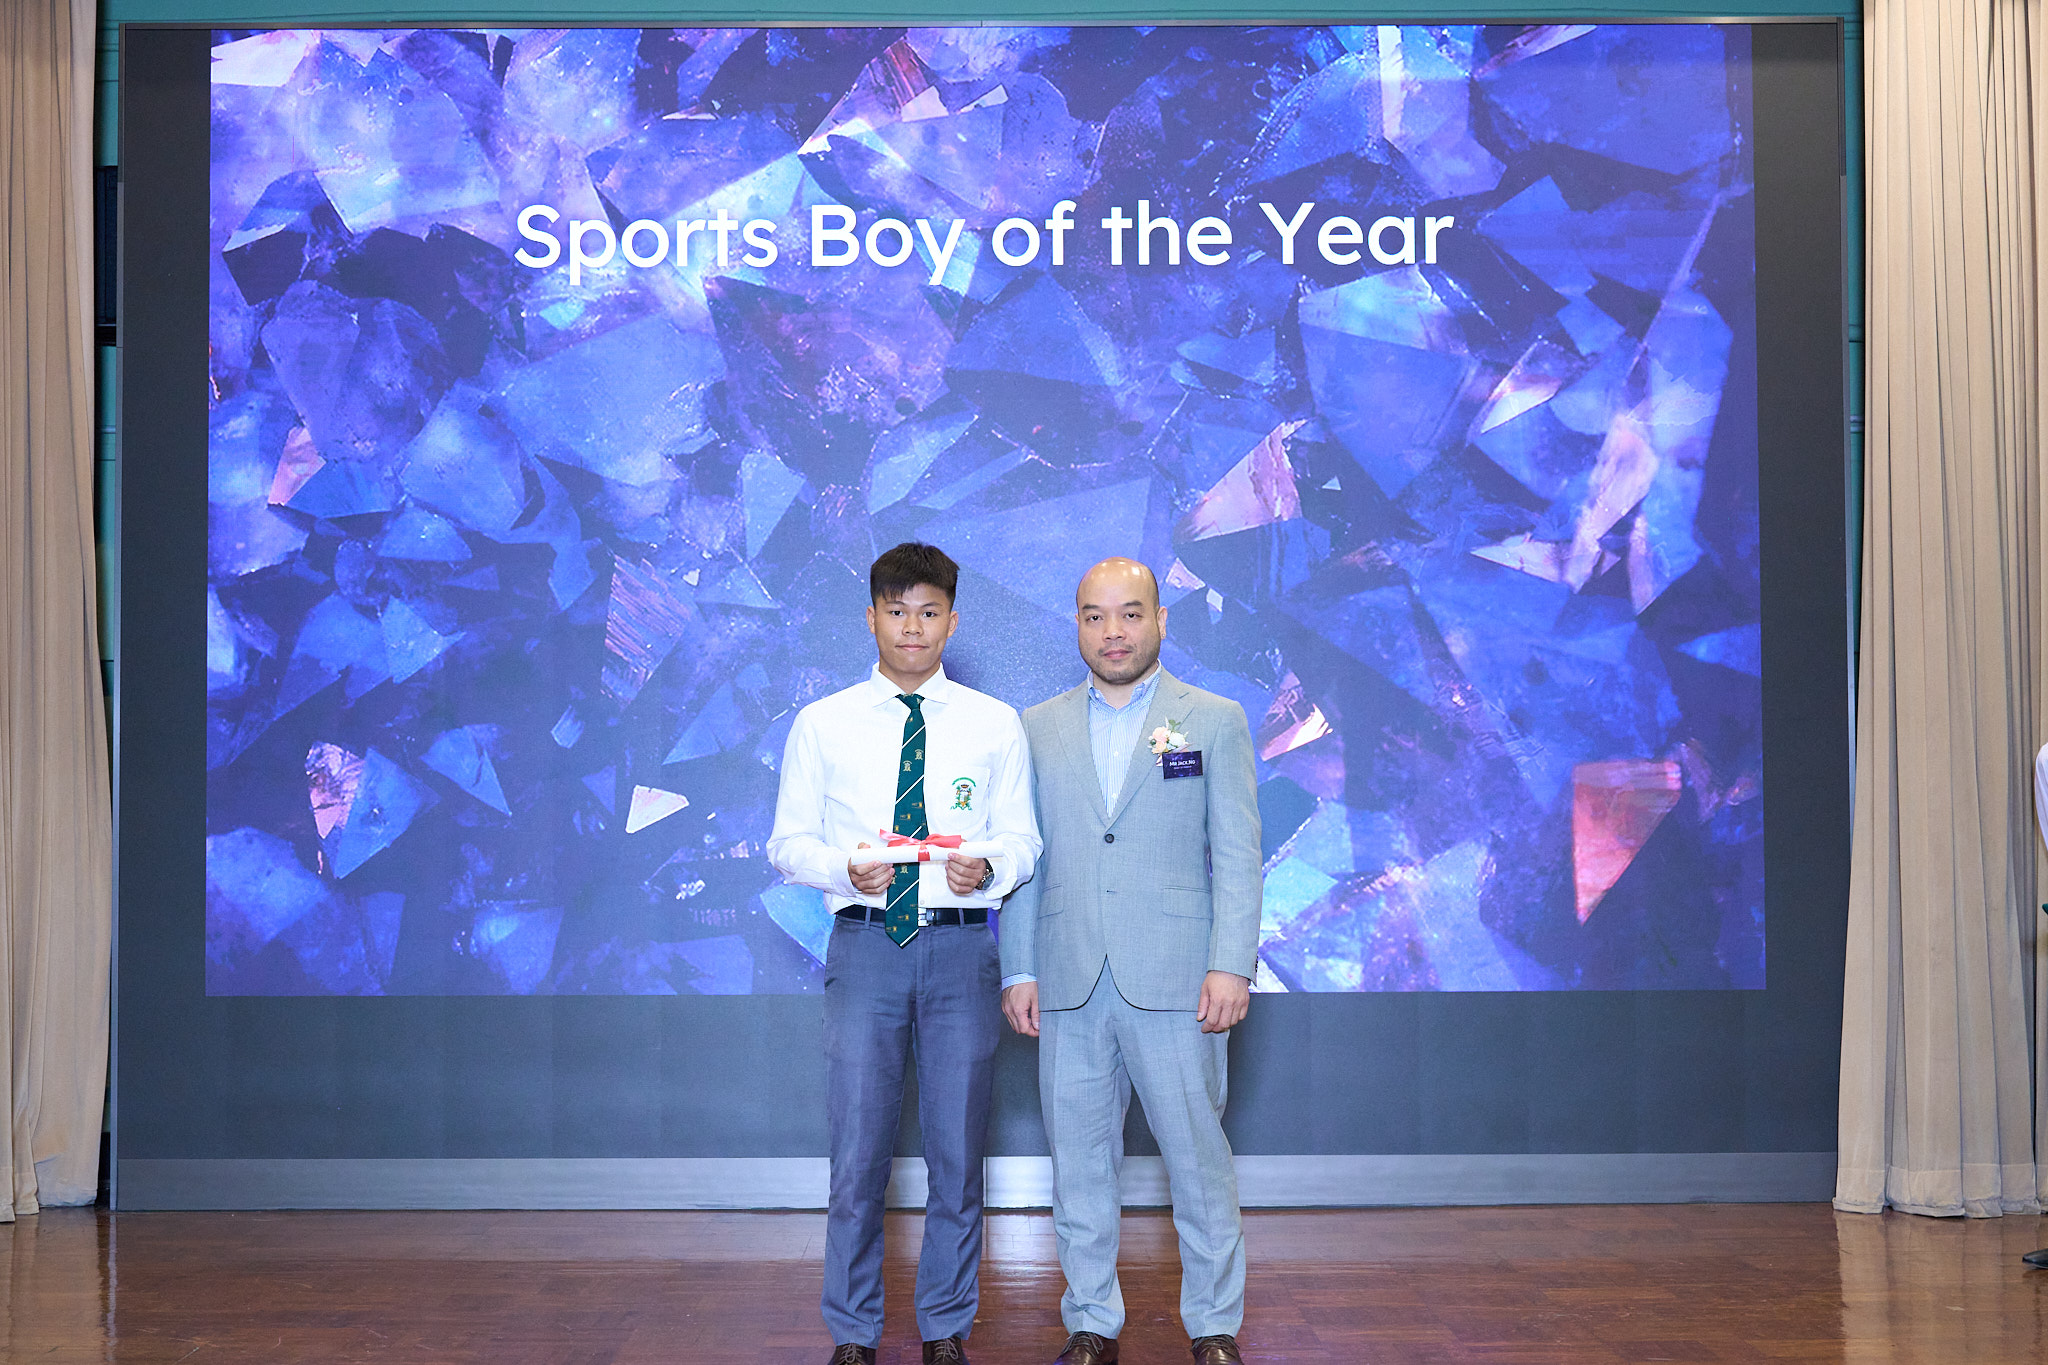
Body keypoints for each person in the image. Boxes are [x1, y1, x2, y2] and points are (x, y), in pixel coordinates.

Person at [768, 542, 1042, 1365]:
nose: (912, 627)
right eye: (896, 611)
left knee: (958, 1151)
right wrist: (841, 867)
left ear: (953, 620)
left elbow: (1023, 839)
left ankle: (945, 1326)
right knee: (858, 1150)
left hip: (961, 949)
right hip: (865, 945)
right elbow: (786, 843)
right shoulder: (822, 722)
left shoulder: (994, 723)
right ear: (871, 618)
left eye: (928, 611)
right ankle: (853, 1331)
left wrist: (987, 867)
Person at [999, 556, 1261, 1365]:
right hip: (1068, 975)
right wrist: (1018, 967)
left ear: (1161, 620)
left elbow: (1238, 852)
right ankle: (1091, 1322)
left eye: (1130, 613)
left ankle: (1213, 1326)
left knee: (1199, 1163)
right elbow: (1025, 855)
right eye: (1095, 616)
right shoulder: (1035, 726)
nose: (1113, 631)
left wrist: (1232, 962)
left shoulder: (1213, 718)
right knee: (1078, 1167)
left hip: (1181, 980)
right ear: (1077, 624)